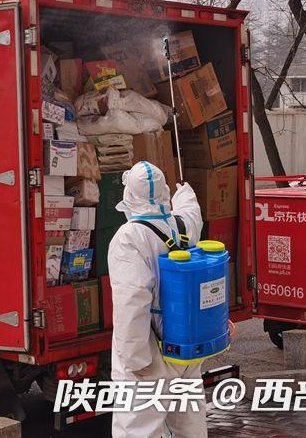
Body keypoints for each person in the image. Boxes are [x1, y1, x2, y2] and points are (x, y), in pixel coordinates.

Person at [108, 160, 206, 438]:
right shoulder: (183, 225)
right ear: (164, 192)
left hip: (150, 350)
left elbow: (132, 301)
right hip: (185, 345)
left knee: (139, 428)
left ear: (129, 194)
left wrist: (135, 359)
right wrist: (184, 192)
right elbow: (192, 211)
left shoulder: (129, 237)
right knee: (189, 424)